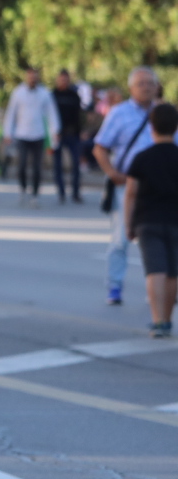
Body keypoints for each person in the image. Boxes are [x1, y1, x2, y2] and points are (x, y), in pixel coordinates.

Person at [95, 67, 165, 305]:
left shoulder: (164, 113)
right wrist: (112, 173)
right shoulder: (119, 113)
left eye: (150, 83)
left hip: (159, 188)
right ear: (131, 88)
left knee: (159, 238)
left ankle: (158, 289)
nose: (146, 87)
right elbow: (100, 147)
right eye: (141, 83)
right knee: (121, 237)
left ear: (157, 86)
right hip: (128, 184)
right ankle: (114, 286)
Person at [124, 102, 178, 337]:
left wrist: (129, 224)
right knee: (173, 272)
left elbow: (130, 193)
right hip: (175, 221)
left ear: (151, 126)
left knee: (155, 270)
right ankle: (168, 320)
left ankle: (157, 322)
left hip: (148, 221)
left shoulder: (142, 158)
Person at [3, 66, 57, 206]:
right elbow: (11, 113)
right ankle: (23, 189)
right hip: (22, 134)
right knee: (21, 165)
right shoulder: (18, 93)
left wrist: (54, 131)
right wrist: (8, 132)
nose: (32, 78)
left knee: (37, 167)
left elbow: (51, 114)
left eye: (35, 76)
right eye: (30, 76)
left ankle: (35, 194)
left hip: (38, 134)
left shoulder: (45, 93)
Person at [52, 70, 85, 203]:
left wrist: (80, 131)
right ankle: (61, 193)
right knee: (58, 166)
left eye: (66, 80)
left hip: (73, 134)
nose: (64, 82)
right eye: (62, 79)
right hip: (57, 135)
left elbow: (79, 116)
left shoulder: (74, 95)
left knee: (76, 165)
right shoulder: (52, 95)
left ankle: (76, 193)